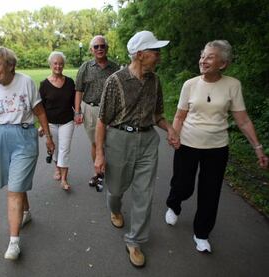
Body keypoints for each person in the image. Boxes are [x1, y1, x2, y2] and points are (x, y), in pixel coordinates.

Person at [164, 40, 269, 253]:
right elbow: (179, 116)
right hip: (188, 144)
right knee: (183, 185)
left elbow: (243, 120)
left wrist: (257, 148)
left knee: (210, 192)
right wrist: (174, 135)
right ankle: (174, 204)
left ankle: (201, 233)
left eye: (210, 57)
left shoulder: (233, 85)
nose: (203, 60)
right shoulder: (190, 84)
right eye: (203, 56)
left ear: (223, 63)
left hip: (217, 147)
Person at [94, 30, 179, 268]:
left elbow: (157, 115)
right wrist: (100, 154)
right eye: (156, 51)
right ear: (140, 54)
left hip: (148, 141)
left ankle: (134, 241)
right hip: (120, 140)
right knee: (116, 189)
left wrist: (169, 128)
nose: (159, 56)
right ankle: (115, 209)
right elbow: (102, 120)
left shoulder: (156, 80)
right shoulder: (116, 81)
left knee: (144, 193)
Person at [0, 46, 55, 260]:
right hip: (0, 136)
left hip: (23, 136)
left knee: (13, 188)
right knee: (15, 183)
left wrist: (48, 137)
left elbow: (39, 111)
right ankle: (26, 213)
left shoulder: (25, 82)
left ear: (10, 66)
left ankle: (13, 242)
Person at [74, 35, 120, 190]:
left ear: (107, 48)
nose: (99, 49)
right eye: (96, 47)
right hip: (91, 109)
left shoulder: (115, 67)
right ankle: (98, 173)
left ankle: (111, 173)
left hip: (111, 111)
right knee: (95, 143)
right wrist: (77, 112)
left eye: (102, 46)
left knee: (111, 143)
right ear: (91, 50)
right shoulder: (85, 67)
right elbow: (79, 90)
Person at [38, 51, 76, 191]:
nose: (58, 66)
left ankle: (64, 179)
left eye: (61, 63)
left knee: (64, 149)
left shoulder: (70, 82)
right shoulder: (44, 85)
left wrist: (78, 113)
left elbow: (74, 102)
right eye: (55, 63)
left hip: (67, 121)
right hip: (50, 123)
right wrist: (42, 126)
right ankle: (57, 168)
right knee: (53, 149)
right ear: (50, 65)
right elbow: (39, 108)